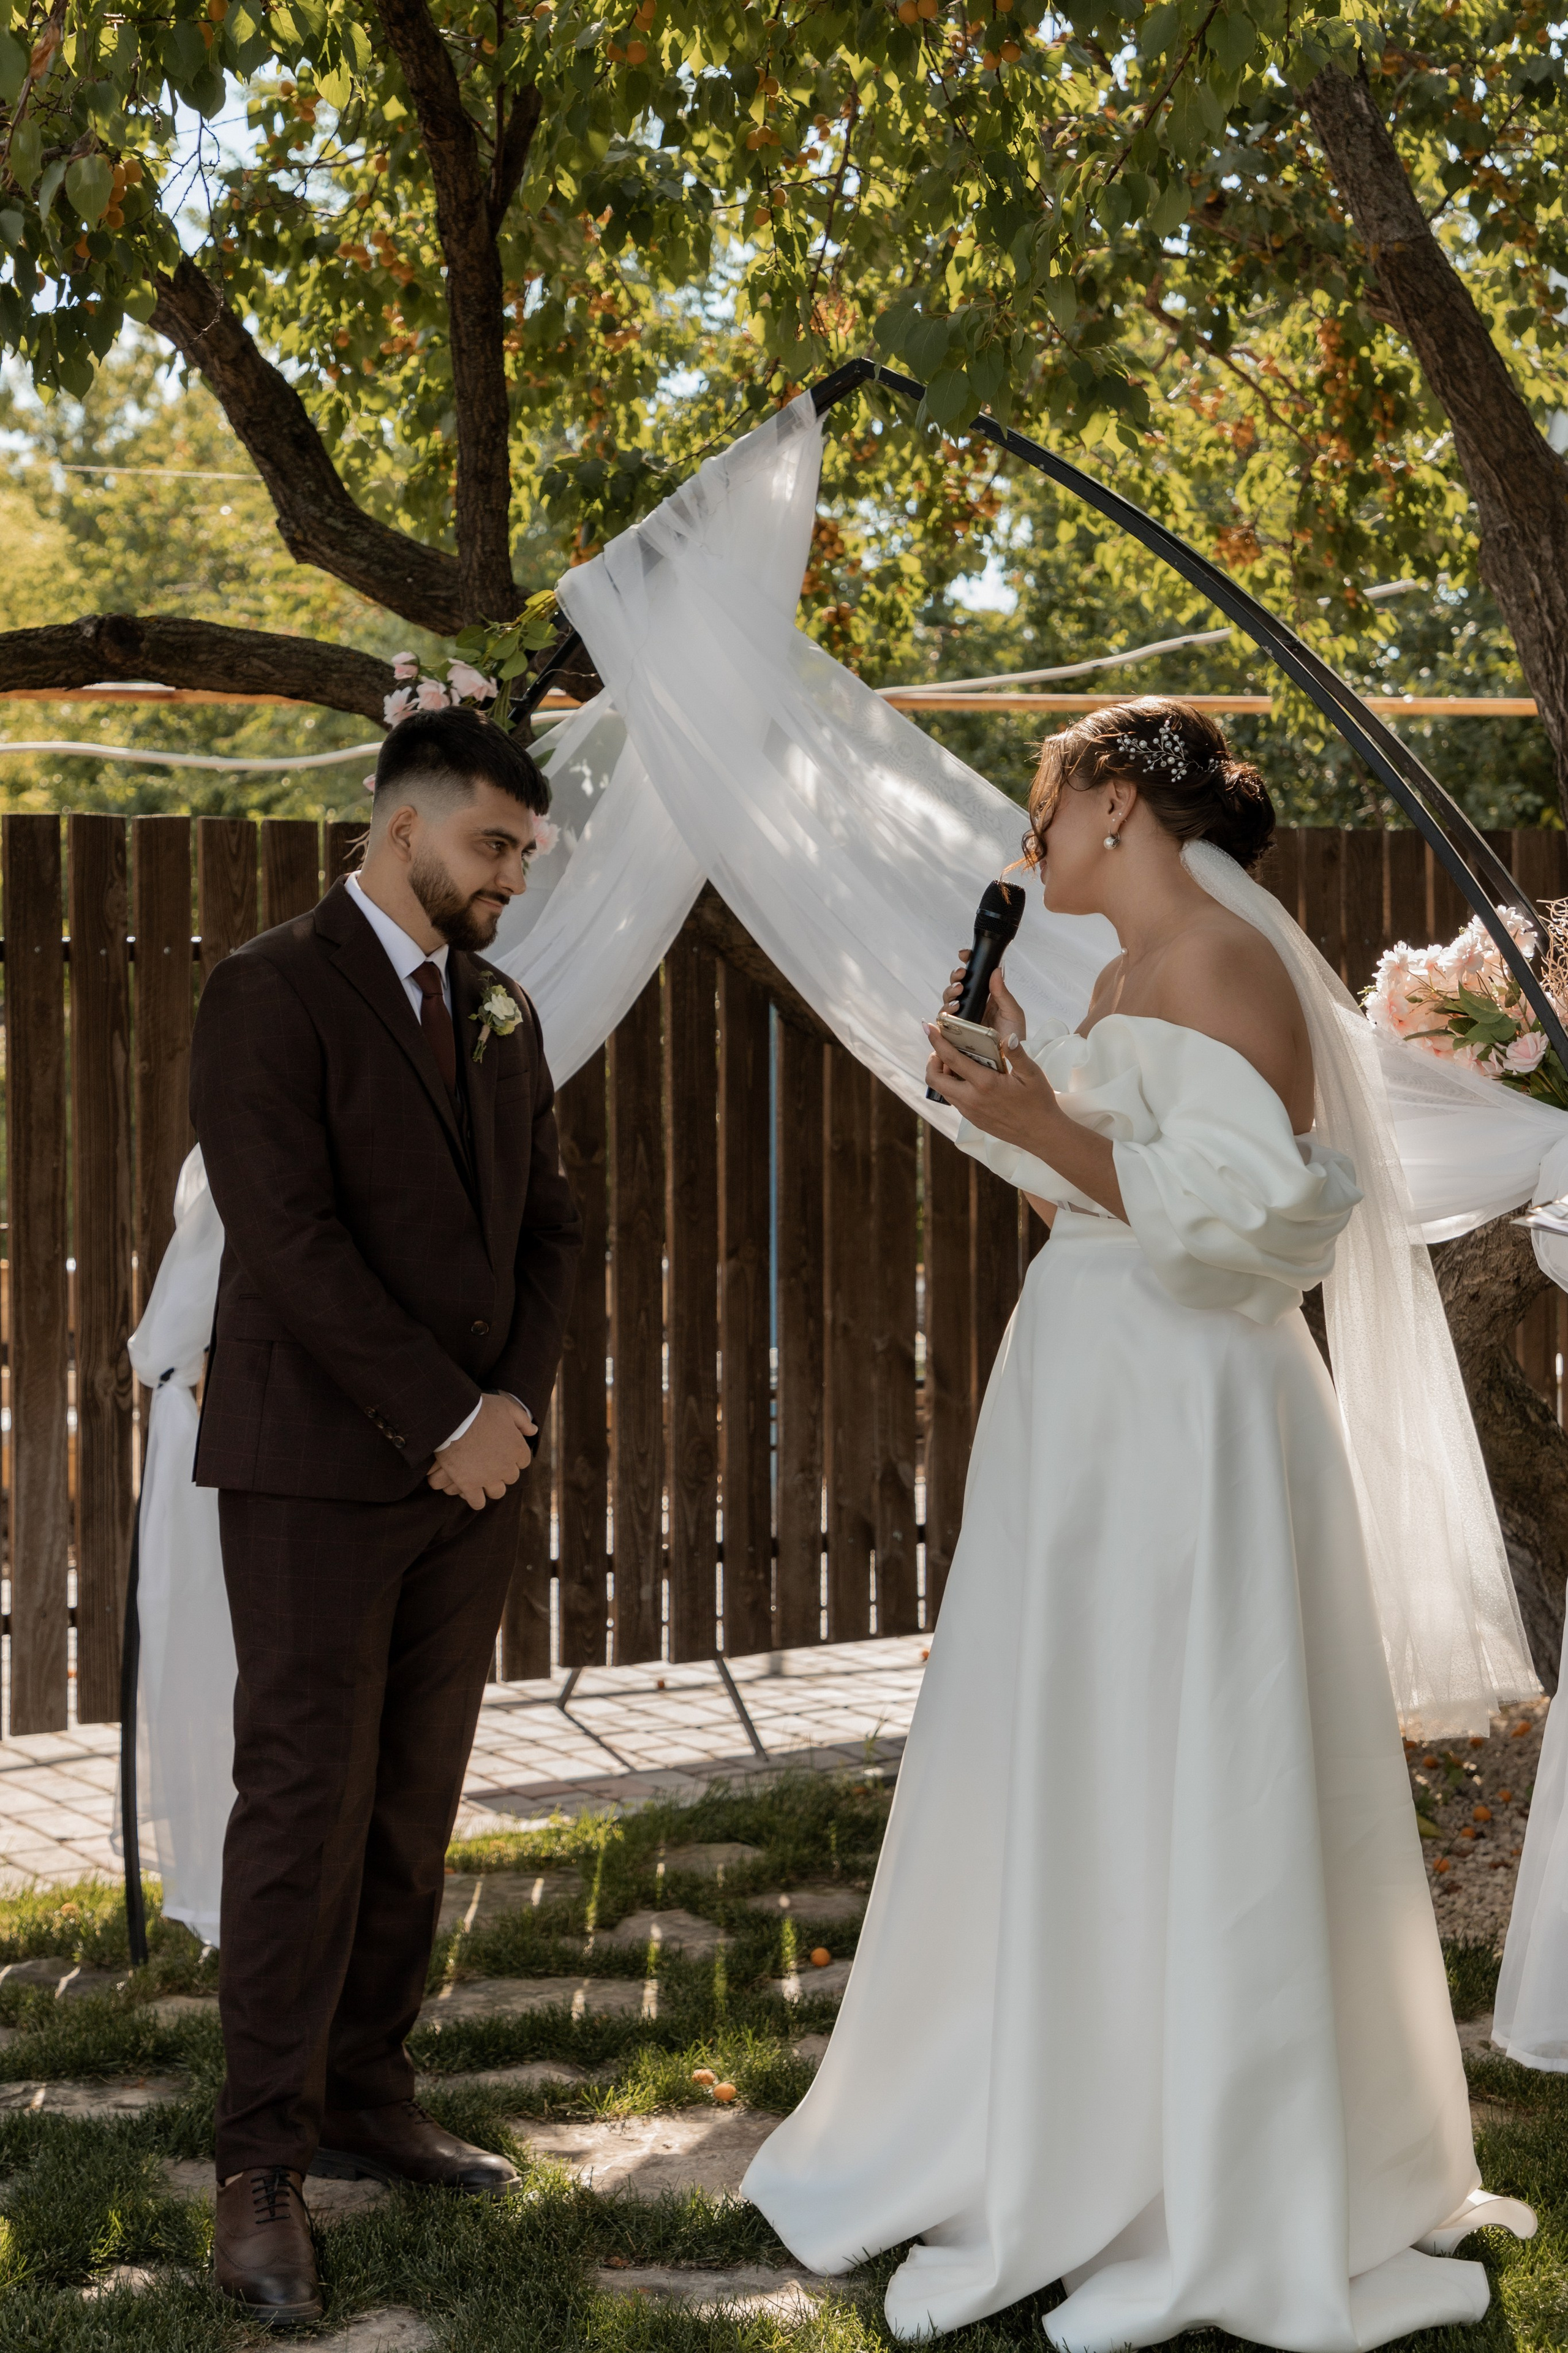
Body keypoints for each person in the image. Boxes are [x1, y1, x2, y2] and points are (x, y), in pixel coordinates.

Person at [744, 697, 1534, 2349]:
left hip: (1193, 1411)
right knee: (1084, 1744)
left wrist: (1042, 1118)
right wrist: (1003, 1099)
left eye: (1049, 799)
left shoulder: (1227, 972)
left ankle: (1200, 2153)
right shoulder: (1109, 981)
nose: (1031, 833)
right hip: (1091, 1391)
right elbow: (1102, 1190)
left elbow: (1253, 1236)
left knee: (1190, 1739)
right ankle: (1067, 2098)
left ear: (1115, 804)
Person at [189, 706, 583, 2326]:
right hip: (314, 1475)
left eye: (525, 854)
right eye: (494, 845)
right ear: (402, 824)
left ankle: (366, 2089)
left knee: (413, 1803)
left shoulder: (498, 1007)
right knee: (302, 1808)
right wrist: (440, 1415)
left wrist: (506, 1419)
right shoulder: (267, 990)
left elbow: (556, 1230)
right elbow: (286, 1236)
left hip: (470, 1483)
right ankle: (257, 2163)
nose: (512, 877)